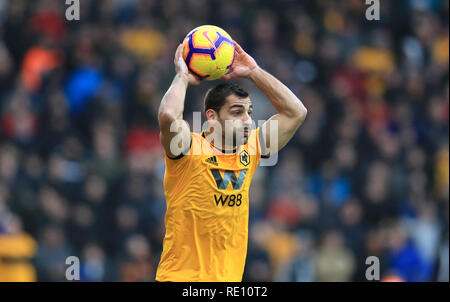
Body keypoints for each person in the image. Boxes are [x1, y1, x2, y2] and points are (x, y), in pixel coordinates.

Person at [155, 40, 308, 282]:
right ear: (212, 117)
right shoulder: (187, 149)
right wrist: (182, 77)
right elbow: (167, 115)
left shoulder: (252, 149)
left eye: (249, 112)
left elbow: (296, 112)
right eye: (237, 112)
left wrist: (253, 72)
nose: (247, 120)